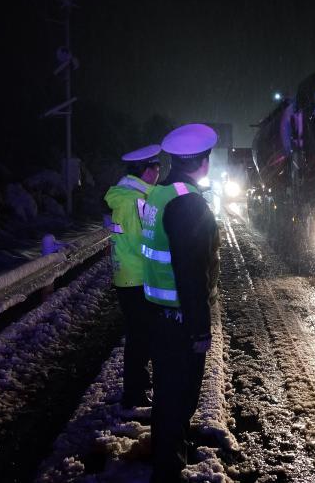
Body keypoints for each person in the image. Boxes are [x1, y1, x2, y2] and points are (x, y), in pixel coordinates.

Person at [140, 124, 220, 482]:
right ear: (204, 162)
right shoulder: (189, 203)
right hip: (179, 317)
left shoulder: (159, 194)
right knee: (180, 397)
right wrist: (199, 328)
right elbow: (191, 271)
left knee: (167, 393)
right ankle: (168, 468)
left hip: (157, 310)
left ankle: (168, 454)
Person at [104, 144, 161, 408]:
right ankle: (134, 394)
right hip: (135, 277)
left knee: (141, 335)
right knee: (140, 337)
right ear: (145, 171)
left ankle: (138, 386)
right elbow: (142, 239)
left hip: (129, 274)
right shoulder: (132, 201)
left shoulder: (130, 196)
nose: (159, 172)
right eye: (156, 167)